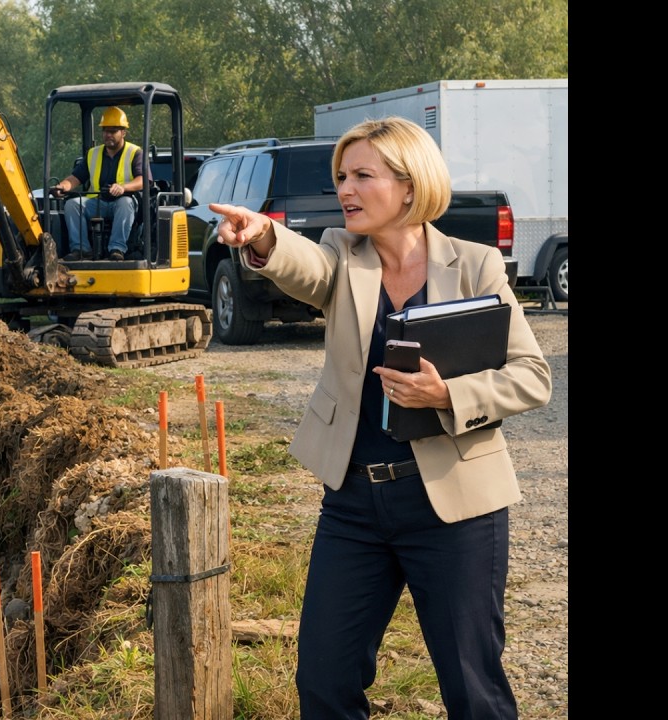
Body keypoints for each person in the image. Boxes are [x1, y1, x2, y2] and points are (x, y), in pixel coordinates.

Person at [209, 116, 551, 720]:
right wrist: (263, 237)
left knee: (474, 692)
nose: (345, 188)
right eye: (341, 175)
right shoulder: (344, 254)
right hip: (354, 508)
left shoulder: (475, 265)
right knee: (323, 680)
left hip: (454, 509)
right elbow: (305, 268)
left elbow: (531, 376)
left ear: (410, 185)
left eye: (363, 175)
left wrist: (447, 395)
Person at [50, 106, 147, 261]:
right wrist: (63, 186)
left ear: (123, 132)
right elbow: (76, 177)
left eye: (113, 131)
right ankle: (81, 250)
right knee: (73, 204)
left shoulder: (135, 152)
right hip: (98, 203)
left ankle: (117, 249)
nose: (108, 135)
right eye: (105, 130)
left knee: (125, 202)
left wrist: (123, 187)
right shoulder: (93, 154)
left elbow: (143, 180)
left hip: (122, 204)